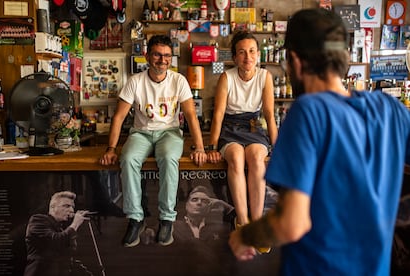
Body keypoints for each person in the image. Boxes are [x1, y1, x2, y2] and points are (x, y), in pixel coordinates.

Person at [228, 8, 410, 275]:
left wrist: (245, 235)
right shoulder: (391, 110)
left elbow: (291, 223)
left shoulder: (308, 112)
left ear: (295, 62)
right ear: (343, 58)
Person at [99, 34, 207, 247]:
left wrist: (200, 147)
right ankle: (135, 218)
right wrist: (111, 149)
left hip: (170, 132)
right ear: (147, 56)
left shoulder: (179, 81)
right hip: (141, 133)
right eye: (157, 55)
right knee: (128, 159)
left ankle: (167, 219)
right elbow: (119, 116)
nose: (162, 60)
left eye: (167, 56)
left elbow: (191, 116)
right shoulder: (135, 82)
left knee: (168, 158)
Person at [207, 31, 278, 243]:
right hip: (229, 127)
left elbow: (269, 115)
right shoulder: (226, 77)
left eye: (252, 51)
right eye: (242, 52)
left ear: (258, 54)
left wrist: (278, 147)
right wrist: (211, 147)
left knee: (256, 159)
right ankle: (243, 221)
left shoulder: (265, 76)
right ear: (235, 57)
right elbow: (218, 114)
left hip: (254, 127)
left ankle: (257, 224)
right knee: (236, 158)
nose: (248, 57)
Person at [24, 191, 90, 276]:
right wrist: (75, 223)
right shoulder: (37, 220)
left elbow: (66, 257)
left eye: (72, 207)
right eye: (66, 206)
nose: (71, 210)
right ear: (53, 207)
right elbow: (56, 241)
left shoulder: (60, 229)